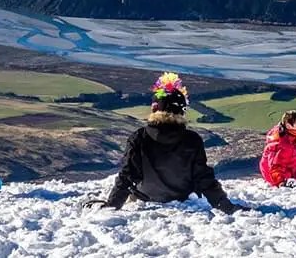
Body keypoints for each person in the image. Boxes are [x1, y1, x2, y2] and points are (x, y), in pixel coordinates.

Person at [105, 73, 246, 214]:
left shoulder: (139, 137)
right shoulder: (192, 139)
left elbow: (127, 175)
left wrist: (112, 205)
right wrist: (225, 205)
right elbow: (203, 177)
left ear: (154, 109)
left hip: (145, 196)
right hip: (181, 197)